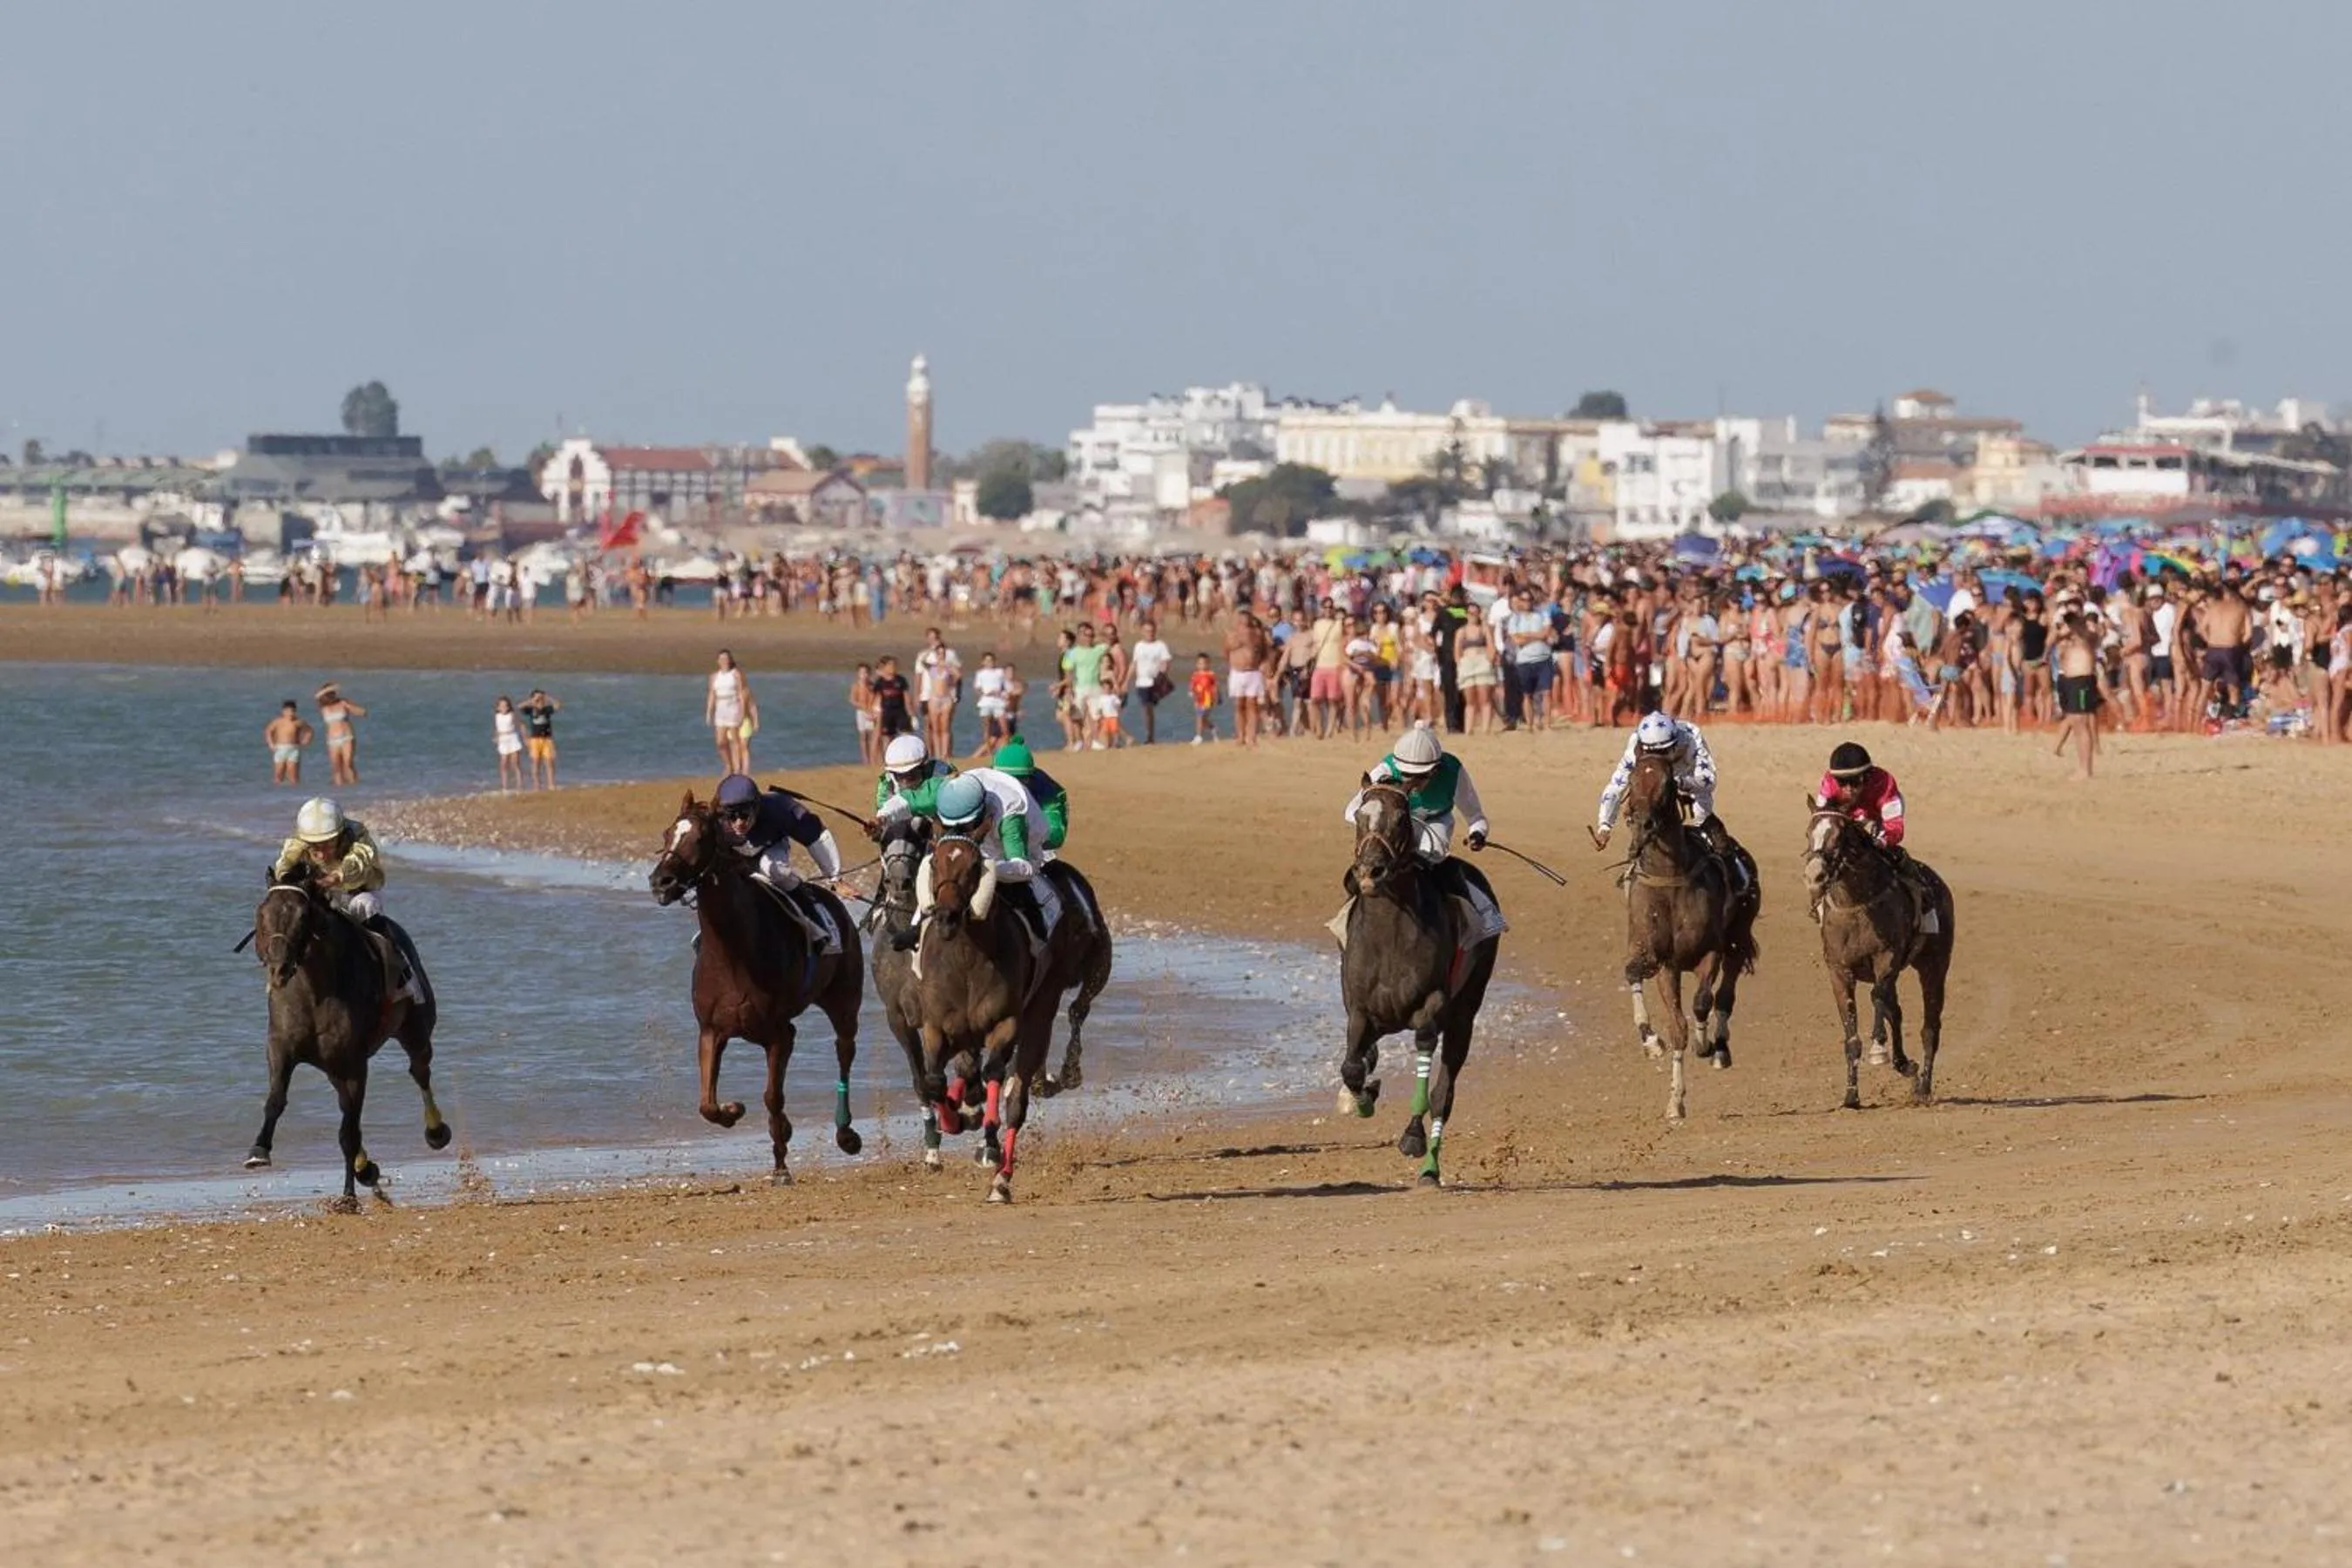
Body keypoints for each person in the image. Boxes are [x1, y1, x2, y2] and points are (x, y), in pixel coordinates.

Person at [1338, 723, 1506, 944]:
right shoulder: (1386, 770)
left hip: (1437, 823)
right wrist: (1378, 819)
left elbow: (1476, 817)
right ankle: (1345, 921)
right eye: (1406, 775)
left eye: (1419, 777)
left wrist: (1478, 834)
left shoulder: (1453, 772)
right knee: (1366, 865)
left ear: (1435, 770)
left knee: (1431, 854)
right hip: (1395, 826)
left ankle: (1482, 914)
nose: (1411, 783)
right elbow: (1351, 811)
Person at [271, 797, 422, 1001]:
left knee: (366, 908)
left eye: (327, 845)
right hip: (320, 894)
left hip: (357, 891)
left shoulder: (358, 836)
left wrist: (335, 877)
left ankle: (402, 975)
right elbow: (285, 863)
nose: (321, 854)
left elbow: (359, 862)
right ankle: (279, 973)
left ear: (339, 836)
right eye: (314, 846)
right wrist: (286, 878)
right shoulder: (299, 840)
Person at [890, 768, 1059, 949]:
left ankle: (1039, 932)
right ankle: (916, 927)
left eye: (964, 824)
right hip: (976, 843)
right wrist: (882, 818)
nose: (959, 828)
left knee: (1014, 886)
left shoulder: (1010, 816)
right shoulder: (946, 792)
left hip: (1020, 850)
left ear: (980, 813)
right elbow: (906, 800)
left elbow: (1023, 867)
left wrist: (988, 868)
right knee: (934, 862)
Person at [711, 773, 843, 952]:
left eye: (744, 815)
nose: (739, 823)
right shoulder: (714, 821)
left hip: (771, 848)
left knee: (773, 870)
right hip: (736, 857)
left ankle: (816, 917)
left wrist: (835, 878)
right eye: (732, 817)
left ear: (757, 807)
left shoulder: (780, 808)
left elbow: (816, 837)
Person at [1590, 709, 1728, 855]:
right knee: (1640, 813)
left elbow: (1709, 781)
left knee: (1700, 811)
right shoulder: (1635, 745)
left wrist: (1677, 782)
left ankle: (1726, 856)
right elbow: (1615, 787)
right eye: (1652, 752)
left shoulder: (1691, 737)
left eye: (1663, 752)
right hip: (1653, 779)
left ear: (1674, 745)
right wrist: (1605, 826)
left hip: (1685, 774)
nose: (1658, 757)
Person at [1816, 740, 1930, 914]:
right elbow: (1823, 819)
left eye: (1854, 783)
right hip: (1846, 818)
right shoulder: (1829, 783)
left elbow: (1895, 827)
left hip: (1878, 818)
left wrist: (1882, 842)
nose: (1848, 789)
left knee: (1893, 856)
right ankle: (1819, 904)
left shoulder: (1884, 784)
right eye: (1842, 783)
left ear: (1867, 776)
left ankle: (1924, 901)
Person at [991, 737, 1067, 854]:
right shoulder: (983, 783)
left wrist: (1015, 836)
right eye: (1007, 779)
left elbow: (1056, 836)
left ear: (1029, 778)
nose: (1013, 785)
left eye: (1019, 779)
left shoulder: (1050, 791)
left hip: (1035, 850)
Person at [869, 733, 956, 833]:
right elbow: (887, 827)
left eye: (911, 775)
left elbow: (926, 801)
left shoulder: (943, 773)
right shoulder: (886, 784)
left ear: (924, 767)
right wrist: (880, 825)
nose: (905, 781)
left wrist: (884, 816)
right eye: (899, 775)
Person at [2052, 609, 2102, 780]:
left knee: (2081, 724)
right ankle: (2081, 767)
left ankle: (2085, 769)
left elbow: (2092, 639)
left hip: (2082, 680)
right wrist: (2061, 633)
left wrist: (2077, 628)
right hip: (2069, 681)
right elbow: (2050, 642)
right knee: (2075, 723)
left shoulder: (2088, 634)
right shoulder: (2066, 637)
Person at [706, 651, 756, 775]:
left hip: (733, 707)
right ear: (718, 661)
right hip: (721, 709)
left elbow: (741, 692)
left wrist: (741, 710)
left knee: (735, 740)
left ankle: (737, 768)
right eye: (721, 659)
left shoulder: (736, 674)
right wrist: (709, 712)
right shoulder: (714, 677)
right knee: (720, 742)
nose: (724, 661)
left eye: (726, 658)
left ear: (730, 660)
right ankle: (728, 764)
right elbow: (712, 694)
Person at [916, 626, 962, 760]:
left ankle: (945, 753)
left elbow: (958, 675)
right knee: (934, 727)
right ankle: (936, 753)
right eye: (939, 653)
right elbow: (922, 662)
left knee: (945, 726)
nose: (941, 655)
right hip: (934, 698)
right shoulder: (932, 666)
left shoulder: (948, 666)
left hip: (946, 698)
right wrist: (930, 651)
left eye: (943, 653)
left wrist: (950, 672)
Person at [1130, 618, 1174, 744]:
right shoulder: (1138, 646)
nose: (1149, 633)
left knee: (1149, 708)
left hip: (1154, 682)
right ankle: (1150, 736)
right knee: (1146, 708)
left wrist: (1162, 674)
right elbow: (1134, 664)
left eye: (1151, 631)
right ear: (1142, 632)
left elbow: (1166, 661)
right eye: (1146, 631)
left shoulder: (1160, 645)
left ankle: (1150, 736)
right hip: (1141, 682)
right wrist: (1125, 681)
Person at [316, 683, 366, 787]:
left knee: (348, 763)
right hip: (332, 740)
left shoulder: (343, 703)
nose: (330, 696)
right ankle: (340, 791)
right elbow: (316, 696)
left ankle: (354, 786)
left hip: (346, 737)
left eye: (331, 693)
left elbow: (362, 712)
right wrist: (329, 688)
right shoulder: (323, 707)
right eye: (328, 693)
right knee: (336, 767)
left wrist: (350, 707)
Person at [519, 688, 561, 790]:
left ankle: (551, 784)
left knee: (549, 762)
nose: (539, 701)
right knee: (535, 762)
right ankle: (536, 785)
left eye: (541, 699)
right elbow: (520, 706)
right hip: (535, 739)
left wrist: (547, 697)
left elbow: (558, 705)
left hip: (547, 739)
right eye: (537, 699)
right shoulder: (531, 710)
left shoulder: (547, 710)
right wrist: (532, 701)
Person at [264, 700, 313, 786]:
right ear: (283, 711)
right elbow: (268, 731)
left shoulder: (299, 722)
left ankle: (294, 794)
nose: (290, 714)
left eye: (293, 711)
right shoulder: (278, 722)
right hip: (280, 748)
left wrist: (306, 740)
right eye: (288, 711)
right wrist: (271, 744)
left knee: (293, 775)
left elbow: (309, 730)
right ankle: (277, 793)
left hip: (293, 749)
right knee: (279, 774)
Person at [871, 654, 913, 741]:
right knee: (887, 737)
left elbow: (907, 697)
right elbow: (876, 698)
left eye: (895, 665)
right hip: (887, 712)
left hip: (900, 711)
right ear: (885, 667)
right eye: (891, 665)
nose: (893, 667)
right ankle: (888, 754)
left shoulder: (901, 680)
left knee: (906, 735)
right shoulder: (880, 682)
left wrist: (911, 714)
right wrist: (873, 712)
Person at [493, 695, 525, 792]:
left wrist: (525, 738)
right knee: (503, 764)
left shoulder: (511, 715)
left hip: (512, 738)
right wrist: (496, 737)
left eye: (506, 706)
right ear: (498, 707)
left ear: (508, 706)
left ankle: (520, 785)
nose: (504, 708)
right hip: (503, 740)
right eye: (501, 706)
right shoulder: (497, 716)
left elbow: (521, 725)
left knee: (515, 763)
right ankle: (504, 786)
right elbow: (497, 729)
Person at [1189, 652, 1220, 743]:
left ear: (1208, 664)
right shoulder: (1195, 675)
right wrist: (1191, 692)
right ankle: (1212, 728)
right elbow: (1192, 685)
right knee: (1202, 718)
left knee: (1200, 716)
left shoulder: (1211, 674)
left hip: (1207, 697)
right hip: (1198, 698)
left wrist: (1216, 696)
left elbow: (1215, 686)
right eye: (1200, 663)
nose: (1202, 665)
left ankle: (1199, 736)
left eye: (1205, 663)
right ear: (1197, 664)